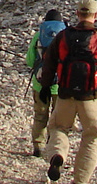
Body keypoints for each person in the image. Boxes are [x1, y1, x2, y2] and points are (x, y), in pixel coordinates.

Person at [39, 0, 97, 184]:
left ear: (77, 14)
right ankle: (80, 180)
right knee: (92, 135)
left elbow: (49, 62)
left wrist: (45, 87)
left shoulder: (63, 36)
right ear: (95, 15)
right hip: (91, 97)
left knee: (59, 127)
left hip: (65, 95)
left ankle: (57, 155)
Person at [24, 9, 67, 157]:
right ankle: (54, 146)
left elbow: (29, 61)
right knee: (58, 118)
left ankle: (38, 146)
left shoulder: (38, 36)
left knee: (40, 115)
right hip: (60, 85)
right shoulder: (65, 36)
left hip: (40, 83)